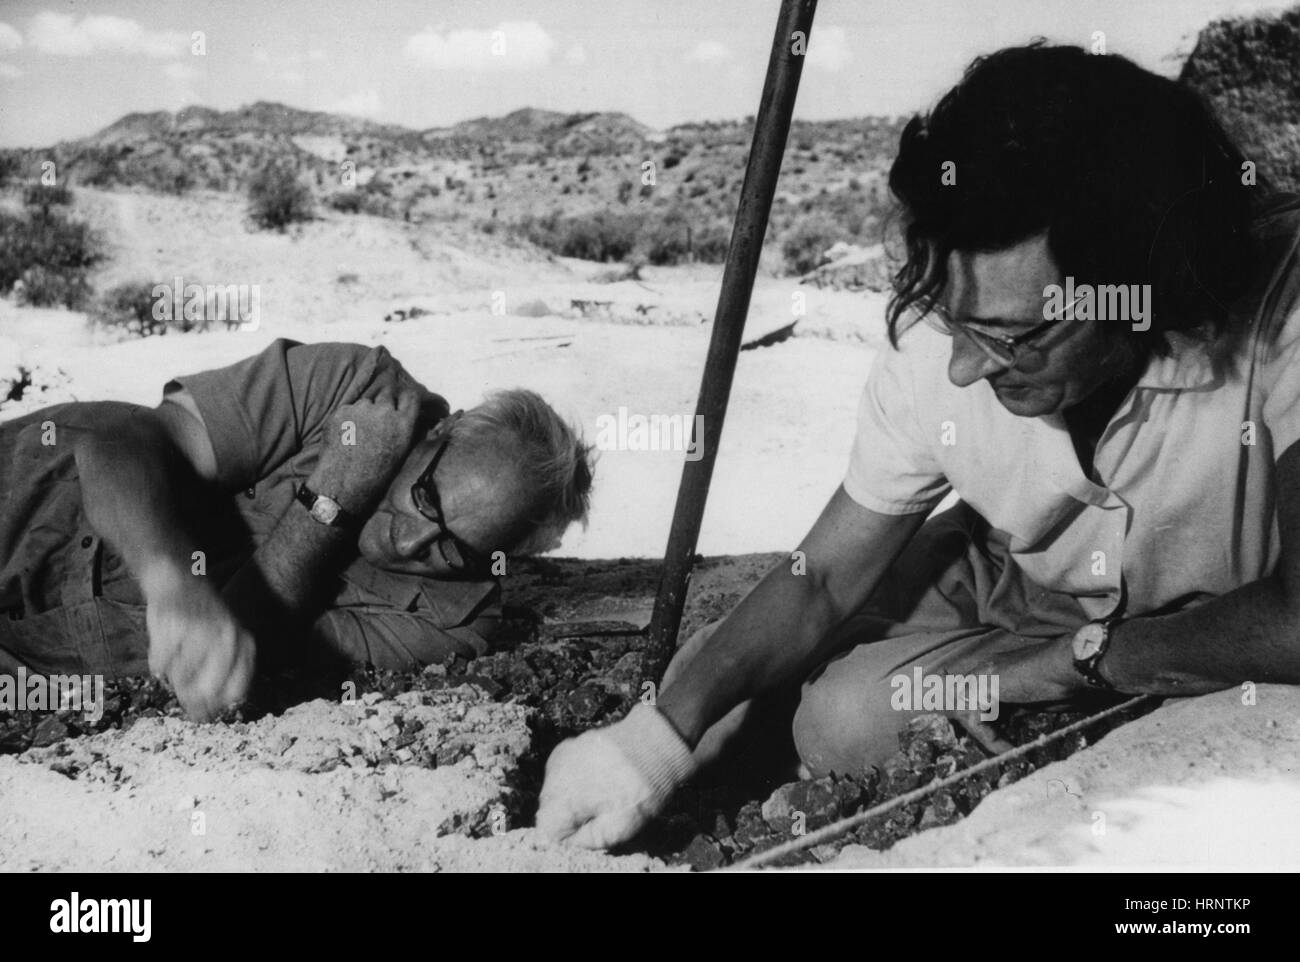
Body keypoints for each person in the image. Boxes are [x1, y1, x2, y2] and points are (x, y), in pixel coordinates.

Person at [537, 42, 1300, 849]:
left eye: (1015, 336)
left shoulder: (1283, 299)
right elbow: (824, 578)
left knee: (847, 721)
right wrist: (651, 743)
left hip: (1220, 611)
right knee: (713, 681)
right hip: (1022, 575)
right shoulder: (951, 319)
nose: (967, 367)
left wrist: (1094, 661)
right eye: (954, 321)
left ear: (1149, 286)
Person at [0, 338, 593, 720]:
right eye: (427, 497)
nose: (411, 541)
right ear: (442, 430)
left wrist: (333, 496)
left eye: (456, 549)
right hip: (30, 495)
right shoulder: (354, 385)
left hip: (38, 659)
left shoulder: (454, 622)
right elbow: (119, 443)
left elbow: (242, 644)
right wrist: (171, 581)